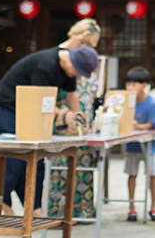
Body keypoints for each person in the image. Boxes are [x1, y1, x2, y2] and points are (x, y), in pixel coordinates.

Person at [0, 45, 99, 216]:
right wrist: (64, 115)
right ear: (71, 60)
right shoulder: (45, 65)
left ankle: (34, 207)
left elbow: (72, 94)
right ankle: (3, 206)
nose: (77, 75)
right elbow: (41, 100)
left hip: (30, 111)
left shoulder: (68, 68)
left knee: (36, 158)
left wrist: (79, 122)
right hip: (6, 107)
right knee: (10, 160)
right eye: (78, 71)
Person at [46, 19, 101, 220]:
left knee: (84, 163)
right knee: (62, 164)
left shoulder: (86, 59)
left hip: (82, 118)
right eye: (86, 42)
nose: (88, 47)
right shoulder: (58, 58)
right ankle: (61, 213)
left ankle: (83, 210)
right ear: (77, 36)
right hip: (63, 118)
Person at [124, 66, 155, 222]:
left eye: (135, 84)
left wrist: (137, 126)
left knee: (152, 174)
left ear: (144, 85)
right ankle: (131, 207)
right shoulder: (125, 101)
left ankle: (153, 206)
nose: (130, 87)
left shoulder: (153, 103)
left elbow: (152, 124)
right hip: (132, 145)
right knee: (132, 174)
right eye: (129, 84)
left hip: (150, 146)